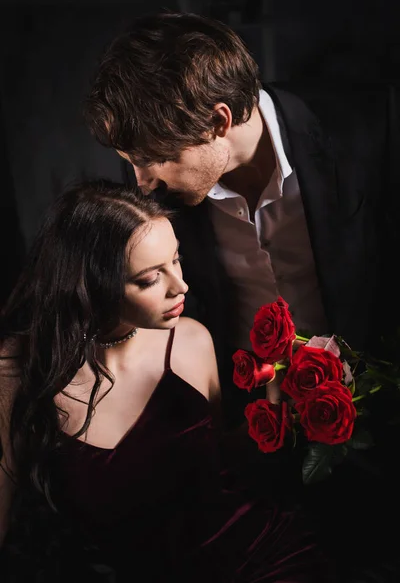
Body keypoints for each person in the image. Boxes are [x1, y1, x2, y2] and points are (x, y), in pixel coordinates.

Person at [0, 179, 334, 582]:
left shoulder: (190, 341)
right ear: (89, 285)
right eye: (149, 278)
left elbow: (222, 469)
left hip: (264, 558)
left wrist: (277, 403)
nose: (181, 286)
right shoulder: (18, 369)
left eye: (176, 260)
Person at [83, 11, 399, 430]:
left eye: (154, 159)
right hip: (240, 417)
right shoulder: (154, 185)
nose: (141, 185)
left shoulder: (370, 128)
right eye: (132, 163)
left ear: (218, 121)